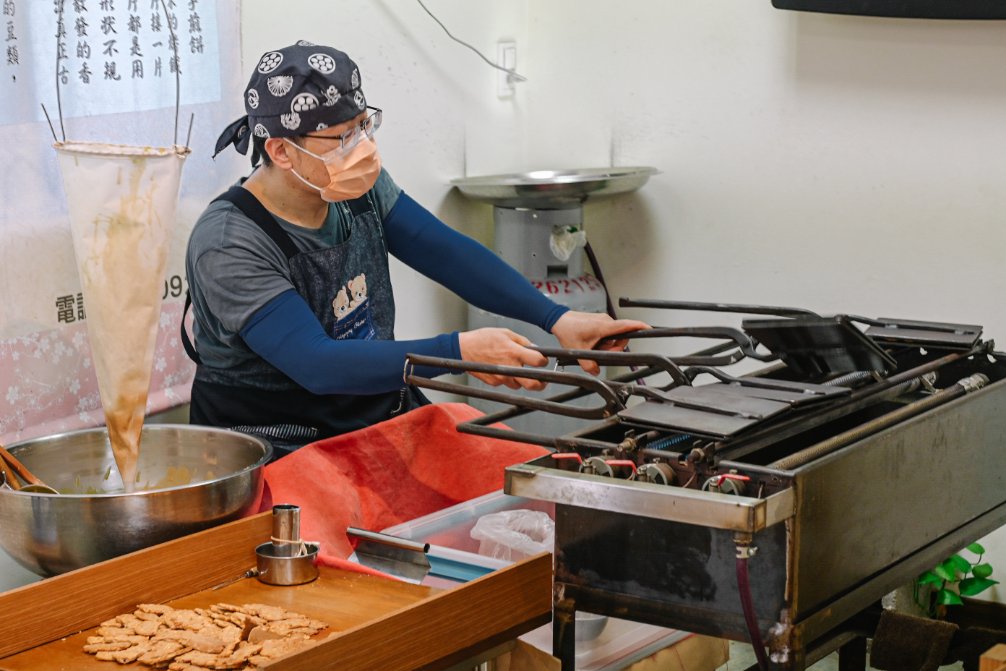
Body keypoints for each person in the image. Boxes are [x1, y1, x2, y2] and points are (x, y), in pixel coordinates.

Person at [183, 41, 647, 454]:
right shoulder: (230, 242)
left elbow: (443, 251)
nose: (362, 148)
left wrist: (557, 318)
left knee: (502, 474)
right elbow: (316, 362)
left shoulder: (353, 189)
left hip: (371, 410)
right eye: (343, 138)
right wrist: (457, 351)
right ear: (282, 152)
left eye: (365, 127)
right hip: (274, 440)